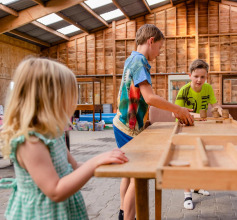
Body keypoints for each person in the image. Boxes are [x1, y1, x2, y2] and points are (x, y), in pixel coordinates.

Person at [0, 57, 128, 220]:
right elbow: (55, 190)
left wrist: (105, 162)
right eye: (69, 98)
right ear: (49, 101)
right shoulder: (30, 142)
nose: (73, 105)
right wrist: (94, 163)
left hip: (62, 211)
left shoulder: (54, 134)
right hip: (41, 214)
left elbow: (74, 167)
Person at [113, 24, 194, 220]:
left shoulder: (131, 59)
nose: (158, 53)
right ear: (151, 41)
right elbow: (149, 98)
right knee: (138, 177)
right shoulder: (140, 61)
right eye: (159, 47)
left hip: (120, 123)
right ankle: (128, 217)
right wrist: (178, 109)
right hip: (129, 128)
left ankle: (123, 213)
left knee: (128, 173)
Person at [175, 59, 223, 210]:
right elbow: (175, 113)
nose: (199, 80)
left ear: (206, 77)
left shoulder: (208, 88)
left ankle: (197, 187)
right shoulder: (184, 91)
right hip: (186, 128)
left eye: (203, 77)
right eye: (196, 76)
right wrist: (195, 116)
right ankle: (187, 194)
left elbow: (215, 105)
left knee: (202, 157)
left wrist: (220, 111)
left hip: (202, 128)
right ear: (190, 75)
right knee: (187, 160)